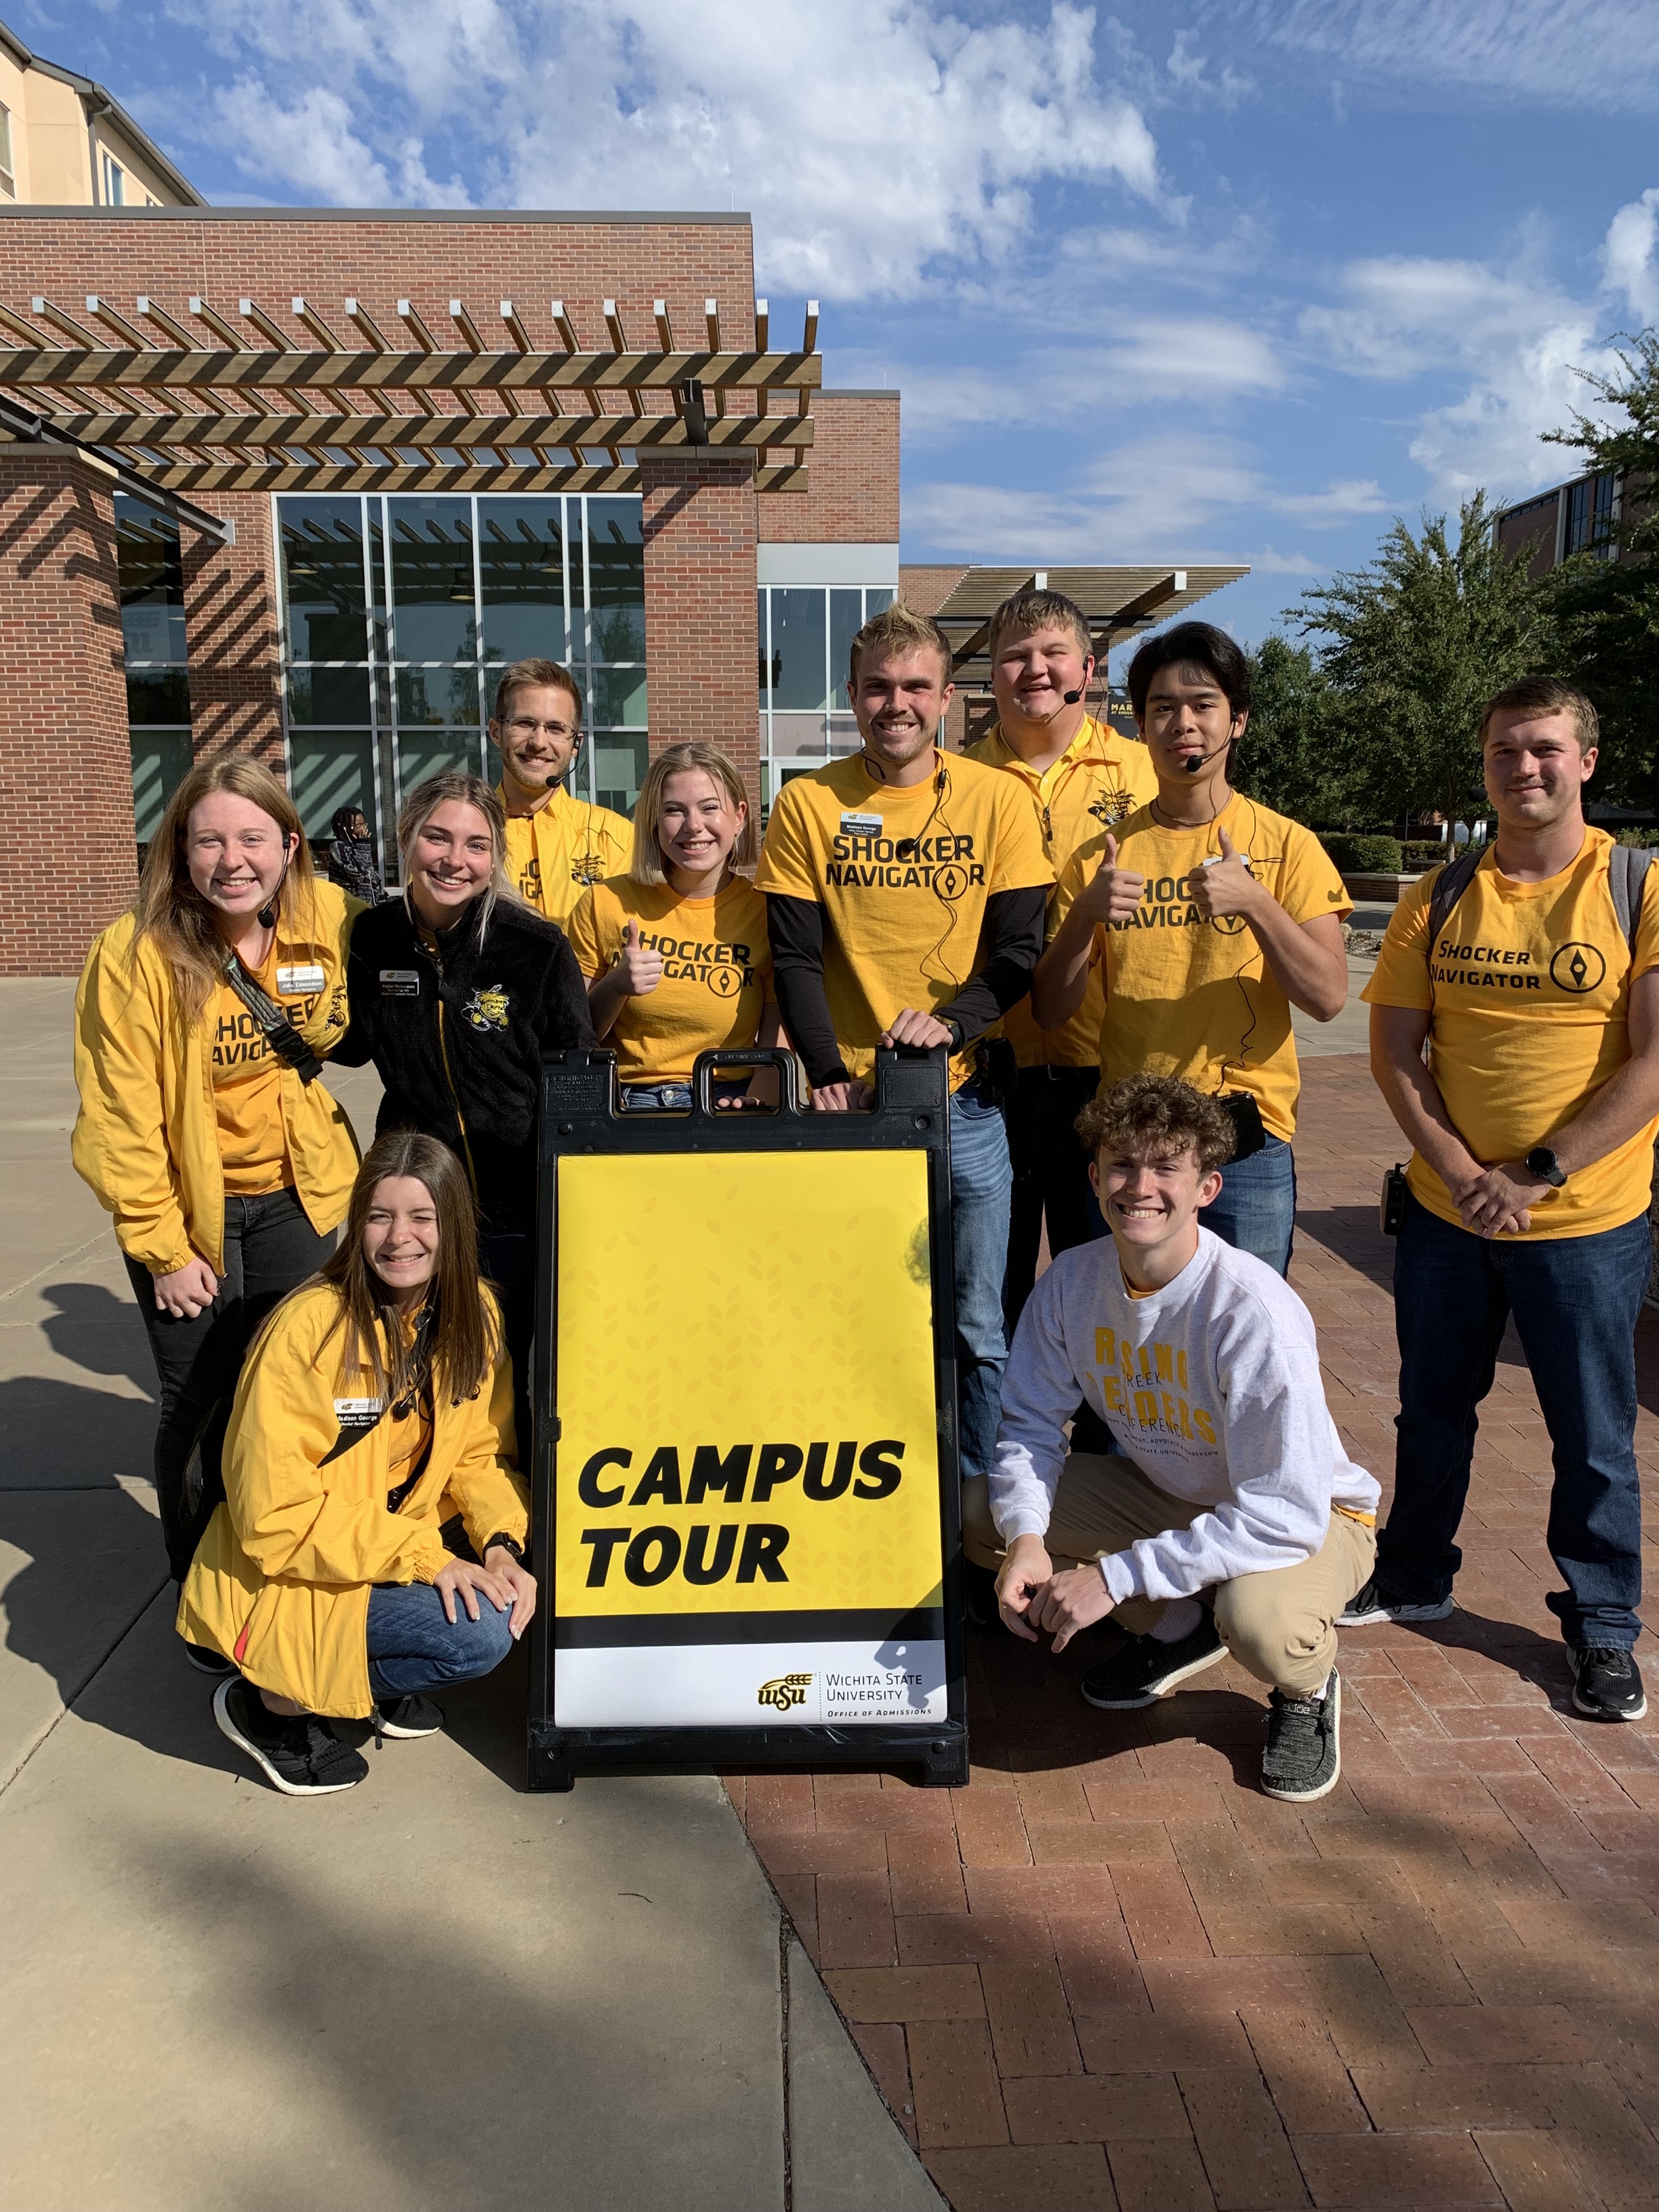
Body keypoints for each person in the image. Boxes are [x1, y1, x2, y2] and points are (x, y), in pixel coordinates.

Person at [1352, 676, 1659, 1722]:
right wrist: (1456, 1170)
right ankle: (1413, 1577)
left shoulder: (1639, 887)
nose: (1524, 768)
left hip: (1586, 1223)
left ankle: (1605, 1627)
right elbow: (1396, 1054)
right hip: (1449, 1217)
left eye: (1544, 749)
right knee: (1431, 1411)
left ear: (1587, 761)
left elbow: (1655, 1060)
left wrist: (1535, 1174)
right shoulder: (1438, 896)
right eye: (1503, 752)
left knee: (1594, 1435)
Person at [965, 1075, 1379, 1803]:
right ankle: (1181, 1625)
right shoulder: (1071, 1283)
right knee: (983, 1516)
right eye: (1122, 1164)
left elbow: (1284, 1512)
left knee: (1260, 1622)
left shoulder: (1251, 1310)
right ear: (1094, 1178)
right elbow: (1029, 1428)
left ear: (1207, 1188)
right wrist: (1029, 1536)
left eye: (1167, 1168)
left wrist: (1114, 1577)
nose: (1140, 1187)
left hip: (1309, 1519)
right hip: (1180, 1498)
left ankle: (1306, 1689)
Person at [755, 600, 1052, 1493]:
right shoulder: (808, 803)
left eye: (916, 686)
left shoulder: (1001, 798)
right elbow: (796, 959)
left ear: (948, 698)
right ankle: (866, 1503)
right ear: (852, 695)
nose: (898, 703)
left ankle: (979, 1511)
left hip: (962, 1102)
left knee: (974, 1323)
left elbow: (1019, 954)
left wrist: (953, 1023)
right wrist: (824, 1072)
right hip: (849, 1102)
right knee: (852, 1315)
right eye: (879, 687)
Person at [73, 760, 361, 1606]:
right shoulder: (133, 954)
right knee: (196, 1401)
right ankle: (194, 1570)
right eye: (210, 840)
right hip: (190, 1213)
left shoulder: (330, 921)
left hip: (296, 1199)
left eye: (252, 838)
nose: (233, 860)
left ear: (289, 846)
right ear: (180, 849)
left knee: (284, 1394)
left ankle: (263, 1558)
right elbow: (118, 1120)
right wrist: (164, 1250)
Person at [181, 1132, 534, 1797]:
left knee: (510, 1589)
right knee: (479, 1638)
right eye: (379, 1216)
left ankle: (355, 1671)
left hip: (384, 1541)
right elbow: (273, 1517)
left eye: (422, 1217)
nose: (400, 1238)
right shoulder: (309, 1330)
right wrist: (428, 1561)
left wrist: (501, 1546)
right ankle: (269, 1705)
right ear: (357, 1223)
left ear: (452, 1225)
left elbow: (483, 1454)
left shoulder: (475, 1314)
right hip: (289, 1567)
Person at [1033, 621, 1350, 1277]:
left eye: (1204, 704)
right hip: (1134, 1141)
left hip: (1245, 1143)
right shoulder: (1102, 857)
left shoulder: (1288, 845)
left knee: (1243, 1336)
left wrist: (1257, 902)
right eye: (1163, 708)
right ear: (1141, 727)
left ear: (1238, 722)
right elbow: (1051, 1010)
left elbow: (1326, 995)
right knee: (1133, 1335)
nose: (1184, 722)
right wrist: (1084, 918)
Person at [336, 772, 593, 1440]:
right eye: (438, 838)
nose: (456, 859)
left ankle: (521, 1521)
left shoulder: (533, 947)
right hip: (417, 1205)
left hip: (517, 1209)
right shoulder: (373, 938)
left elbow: (582, 1076)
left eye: (477, 845)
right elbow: (353, 1043)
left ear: (495, 856)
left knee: (521, 1373)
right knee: (418, 1366)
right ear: (407, 838)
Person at [966, 588, 1157, 1328]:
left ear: (1090, 664)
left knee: (1112, 1286)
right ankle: (1005, 1438)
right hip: (995, 1075)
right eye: (1015, 656)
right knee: (993, 1288)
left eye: (1052, 654)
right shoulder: (957, 779)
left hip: (1109, 1073)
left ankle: (1108, 1442)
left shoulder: (1146, 775)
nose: (1034, 670)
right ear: (990, 672)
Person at [566, 741, 782, 1110]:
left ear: (740, 816)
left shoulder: (766, 911)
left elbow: (779, 1036)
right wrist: (616, 986)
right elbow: (571, 1037)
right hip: (629, 1106)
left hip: (733, 1104)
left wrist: (756, 1104)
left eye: (709, 807)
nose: (693, 826)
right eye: (674, 811)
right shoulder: (604, 902)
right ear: (653, 819)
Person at [489, 657, 632, 925]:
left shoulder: (617, 839)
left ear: (576, 744)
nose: (539, 742)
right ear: (497, 732)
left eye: (555, 728)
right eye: (524, 723)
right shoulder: (459, 834)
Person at [325, 806, 388, 905]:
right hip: (350, 906)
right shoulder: (338, 847)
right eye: (358, 826)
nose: (363, 829)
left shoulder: (361, 846)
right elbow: (358, 873)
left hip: (371, 906)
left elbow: (370, 873)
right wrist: (363, 845)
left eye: (364, 825)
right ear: (345, 828)